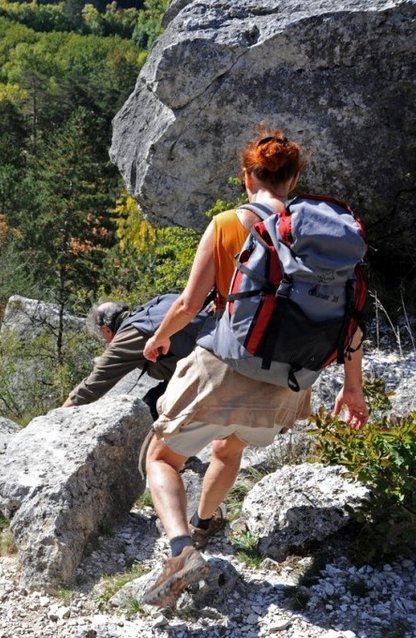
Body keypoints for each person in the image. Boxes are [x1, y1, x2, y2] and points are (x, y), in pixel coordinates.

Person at [138, 129, 369, 608]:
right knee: (230, 446)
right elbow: (351, 317)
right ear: (294, 178)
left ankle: (182, 550)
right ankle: (205, 523)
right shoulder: (320, 237)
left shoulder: (226, 224)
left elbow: (188, 303)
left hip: (226, 365)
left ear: (247, 176)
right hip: (288, 381)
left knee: (160, 458)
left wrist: (159, 338)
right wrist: (353, 389)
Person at [62, 294, 208, 418]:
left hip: (206, 376)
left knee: (150, 411)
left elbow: (94, 384)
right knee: (153, 398)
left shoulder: (132, 333)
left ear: (106, 329)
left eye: (103, 337)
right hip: (219, 351)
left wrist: (59, 415)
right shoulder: (161, 300)